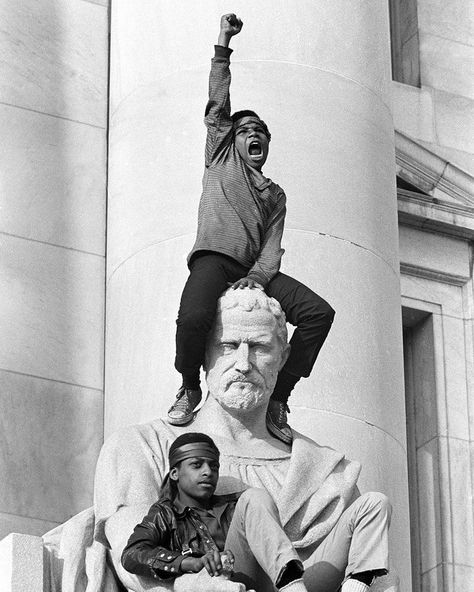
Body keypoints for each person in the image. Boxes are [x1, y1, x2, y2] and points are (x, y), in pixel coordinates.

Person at [96, 288, 394, 592]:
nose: (243, 363)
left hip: (313, 579)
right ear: (203, 353)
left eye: (260, 347)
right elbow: (130, 557)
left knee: (375, 505)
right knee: (254, 501)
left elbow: (383, 578)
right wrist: (201, 581)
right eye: (228, 345)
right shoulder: (145, 445)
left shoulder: (328, 473)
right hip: (222, 585)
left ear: (283, 357)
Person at [169, 13, 335, 444]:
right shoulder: (220, 156)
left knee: (319, 313)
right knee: (193, 318)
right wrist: (223, 43)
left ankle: (280, 395)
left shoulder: (274, 194)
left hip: (255, 273)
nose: (253, 135)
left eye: (260, 132)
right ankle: (188, 385)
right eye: (245, 131)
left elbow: (272, 247)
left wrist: (258, 280)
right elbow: (218, 103)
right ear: (231, 139)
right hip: (214, 260)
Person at [121, 433, 309, 592]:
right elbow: (132, 554)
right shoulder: (165, 513)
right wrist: (189, 563)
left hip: (272, 581)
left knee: (255, 497)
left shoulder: (238, 506)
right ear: (175, 474)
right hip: (226, 584)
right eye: (197, 465)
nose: (208, 472)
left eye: (214, 466)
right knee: (254, 496)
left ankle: (293, 584)